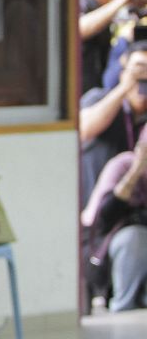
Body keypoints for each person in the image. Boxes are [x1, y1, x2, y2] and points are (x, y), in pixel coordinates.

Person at [80, 39, 147, 208]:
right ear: (123, 73)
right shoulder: (99, 98)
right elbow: (84, 129)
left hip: (134, 214)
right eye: (139, 68)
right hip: (93, 214)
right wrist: (124, 87)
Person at [81, 142, 147, 312]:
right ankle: (123, 305)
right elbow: (104, 218)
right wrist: (136, 171)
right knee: (134, 237)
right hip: (107, 242)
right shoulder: (122, 165)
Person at [80, 0, 142, 94]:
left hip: (99, 93)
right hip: (80, 98)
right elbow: (78, 29)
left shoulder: (113, 12)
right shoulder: (80, 3)